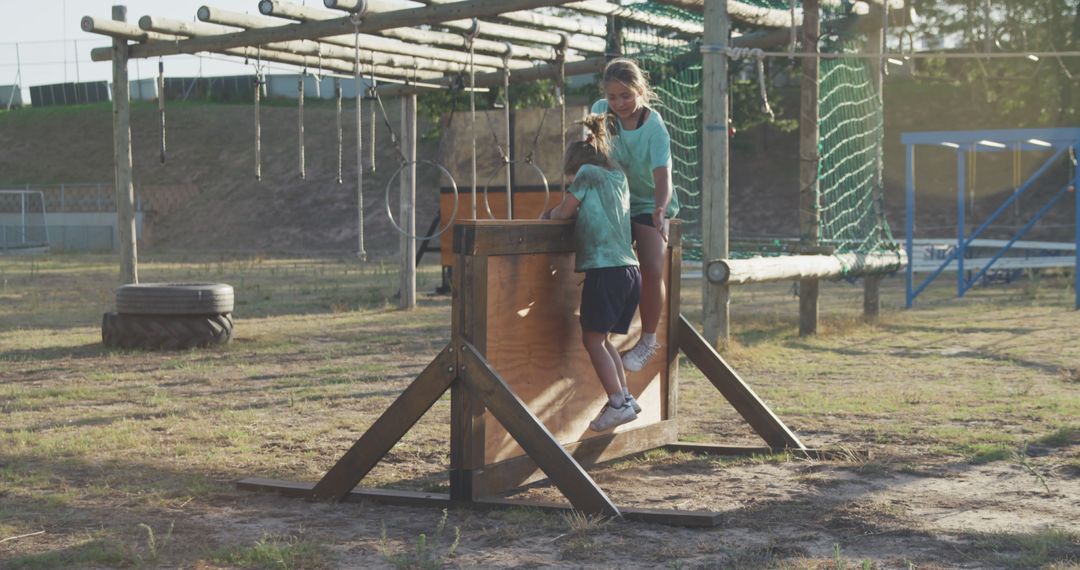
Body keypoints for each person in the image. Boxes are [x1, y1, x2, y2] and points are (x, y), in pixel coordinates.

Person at [542, 114, 642, 432]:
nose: (571, 184)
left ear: (577, 168)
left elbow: (563, 212)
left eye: (569, 181)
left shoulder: (586, 174)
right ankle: (625, 396)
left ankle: (618, 402)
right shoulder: (618, 177)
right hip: (629, 270)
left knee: (592, 340)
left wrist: (547, 216)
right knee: (603, 339)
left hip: (605, 270)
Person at [591, 58, 678, 373]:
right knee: (607, 263)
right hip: (616, 198)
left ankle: (648, 340)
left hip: (647, 201)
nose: (619, 103)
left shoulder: (654, 127)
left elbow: (662, 176)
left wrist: (660, 208)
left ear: (641, 90)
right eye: (613, 97)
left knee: (652, 267)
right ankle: (603, 330)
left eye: (626, 95)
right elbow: (590, 151)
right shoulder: (601, 110)